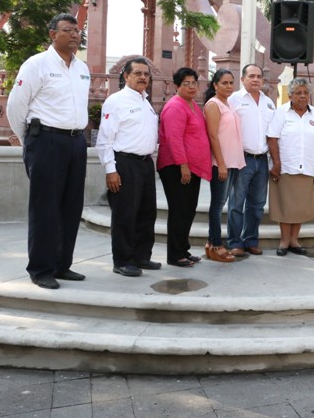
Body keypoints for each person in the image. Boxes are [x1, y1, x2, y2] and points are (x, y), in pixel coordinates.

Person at [7, 13, 90, 289]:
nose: (75, 35)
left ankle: (61, 264)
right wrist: (29, 141)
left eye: (77, 30)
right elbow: (16, 106)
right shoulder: (37, 64)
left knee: (71, 206)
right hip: (46, 141)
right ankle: (40, 268)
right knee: (45, 207)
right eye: (68, 30)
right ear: (53, 35)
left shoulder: (82, 68)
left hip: (76, 143)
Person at [95, 57, 161, 277]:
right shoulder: (116, 101)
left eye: (146, 74)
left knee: (146, 213)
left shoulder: (146, 102)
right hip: (124, 163)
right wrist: (110, 170)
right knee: (125, 214)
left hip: (145, 163)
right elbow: (105, 139)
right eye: (138, 73)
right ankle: (122, 260)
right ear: (126, 76)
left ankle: (141, 256)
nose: (143, 77)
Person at [157, 67, 211, 267]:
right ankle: (174, 255)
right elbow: (174, 139)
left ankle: (183, 249)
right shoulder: (175, 106)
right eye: (186, 83)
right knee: (179, 209)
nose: (191, 87)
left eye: (194, 83)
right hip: (176, 167)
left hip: (191, 167)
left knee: (188, 209)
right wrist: (183, 166)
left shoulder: (192, 105)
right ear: (177, 86)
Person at [267, 78, 314, 256]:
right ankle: (284, 241)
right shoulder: (281, 112)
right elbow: (272, 138)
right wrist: (277, 164)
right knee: (285, 207)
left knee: (300, 208)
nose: (302, 96)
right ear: (290, 95)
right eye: (298, 93)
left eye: (305, 93)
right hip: (286, 167)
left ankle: (294, 240)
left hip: (307, 167)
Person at [227, 64, 275, 257]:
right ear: (243, 79)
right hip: (242, 158)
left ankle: (251, 240)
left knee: (257, 205)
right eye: (251, 76)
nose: (256, 79)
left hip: (262, 160)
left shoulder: (269, 102)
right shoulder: (233, 100)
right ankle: (234, 242)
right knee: (237, 204)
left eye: (259, 77)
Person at [204, 69, 245, 262]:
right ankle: (215, 244)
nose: (229, 86)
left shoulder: (228, 103)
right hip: (221, 163)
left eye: (231, 82)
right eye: (224, 83)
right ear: (215, 85)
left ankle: (211, 244)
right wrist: (220, 164)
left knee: (224, 203)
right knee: (218, 205)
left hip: (233, 161)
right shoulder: (213, 105)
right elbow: (213, 136)